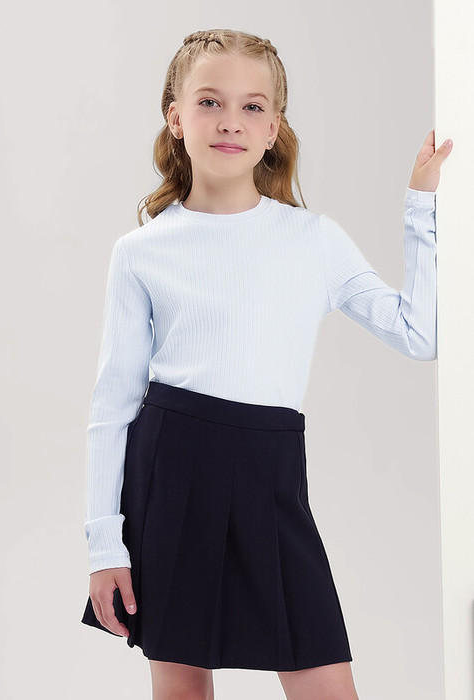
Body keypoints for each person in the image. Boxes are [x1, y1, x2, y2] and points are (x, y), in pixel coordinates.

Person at [80, 28, 453, 700]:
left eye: (252, 106)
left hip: (270, 473)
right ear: (175, 116)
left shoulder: (314, 240)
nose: (230, 120)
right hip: (171, 473)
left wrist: (420, 204)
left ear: (274, 127)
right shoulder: (140, 252)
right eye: (209, 102)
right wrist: (105, 546)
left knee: (324, 680)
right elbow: (113, 405)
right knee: (181, 686)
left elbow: (419, 334)